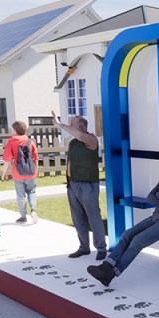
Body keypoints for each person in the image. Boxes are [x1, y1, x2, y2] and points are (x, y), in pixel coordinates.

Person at [87, 152, 159, 287]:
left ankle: (113, 272)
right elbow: (150, 197)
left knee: (138, 240)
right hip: (156, 217)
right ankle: (106, 266)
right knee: (127, 234)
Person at [52, 111, 107, 259]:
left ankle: (101, 248)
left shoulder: (91, 139)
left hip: (87, 185)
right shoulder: (73, 143)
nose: (69, 128)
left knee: (93, 216)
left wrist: (59, 125)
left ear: (81, 126)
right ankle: (84, 247)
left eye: (72, 125)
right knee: (77, 218)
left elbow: (81, 136)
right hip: (73, 184)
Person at [1, 120, 39, 224]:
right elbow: (36, 158)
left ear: (15, 130)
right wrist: (36, 171)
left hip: (17, 173)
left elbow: (7, 160)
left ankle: (23, 217)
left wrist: (4, 173)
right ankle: (34, 210)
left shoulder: (11, 142)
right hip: (31, 172)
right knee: (32, 191)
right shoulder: (30, 141)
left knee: (20, 195)